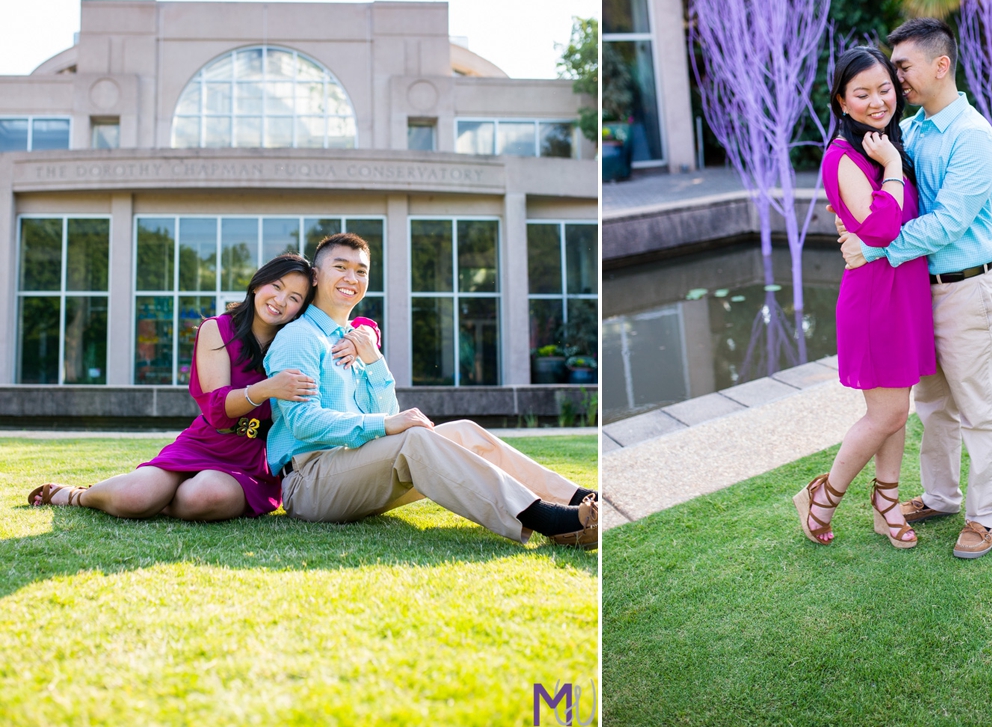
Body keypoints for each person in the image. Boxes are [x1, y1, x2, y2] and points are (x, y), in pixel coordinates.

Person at [264, 232, 599, 548]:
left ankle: (576, 498)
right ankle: (550, 521)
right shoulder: (299, 338)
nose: (352, 278)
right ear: (317, 276)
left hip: (356, 469)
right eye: (340, 267)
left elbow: (388, 411)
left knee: (465, 433)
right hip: (310, 482)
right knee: (416, 439)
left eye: (361, 271)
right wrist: (381, 425)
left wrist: (374, 360)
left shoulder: (354, 339)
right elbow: (303, 421)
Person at [836, 18, 992, 560]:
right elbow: (874, 198)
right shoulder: (908, 132)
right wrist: (848, 220)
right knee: (933, 407)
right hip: (916, 292)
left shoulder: (973, 137)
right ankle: (940, 497)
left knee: (977, 408)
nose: (895, 80)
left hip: (967, 290)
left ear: (941, 66)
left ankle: (985, 517)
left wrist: (876, 249)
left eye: (902, 69)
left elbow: (948, 223)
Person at [27, 254, 329, 520]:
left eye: (294, 298)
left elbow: (347, 324)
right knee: (137, 495)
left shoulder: (296, 342)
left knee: (204, 496)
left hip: (253, 457)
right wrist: (267, 388)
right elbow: (218, 410)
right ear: (257, 285)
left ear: (302, 308)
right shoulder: (218, 329)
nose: (280, 300)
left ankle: (156, 500)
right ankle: (74, 495)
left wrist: (366, 333)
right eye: (276, 286)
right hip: (207, 440)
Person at [794, 46, 936, 550]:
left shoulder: (886, 143)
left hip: (905, 292)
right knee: (888, 413)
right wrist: (894, 166)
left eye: (884, 89)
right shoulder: (844, 155)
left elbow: (893, 226)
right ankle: (823, 497)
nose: (878, 101)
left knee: (898, 405)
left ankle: (887, 504)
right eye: (863, 93)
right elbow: (880, 223)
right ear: (842, 100)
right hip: (876, 300)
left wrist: (893, 162)